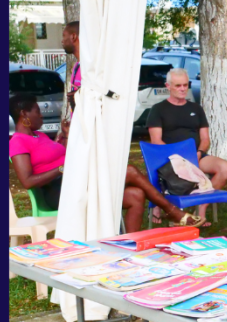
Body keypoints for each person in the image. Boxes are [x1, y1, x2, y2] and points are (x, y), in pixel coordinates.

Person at [9, 93, 205, 232]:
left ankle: (130, 248)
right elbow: (27, 181)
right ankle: (171, 210)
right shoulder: (17, 141)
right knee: (127, 170)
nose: (41, 115)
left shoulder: (39, 136)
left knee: (135, 195)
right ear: (23, 114)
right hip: (59, 192)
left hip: (76, 181)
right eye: (36, 111)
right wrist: (62, 169)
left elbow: (67, 156)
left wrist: (68, 136)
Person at [146, 68, 227, 227]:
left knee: (225, 168)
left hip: (196, 157)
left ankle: (201, 210)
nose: (183, 89)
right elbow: (156, 140)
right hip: (169, 159)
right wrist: (179, 159)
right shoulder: (158, 110)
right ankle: (165, 207)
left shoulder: (196, 109)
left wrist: (199, 153)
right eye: (178, 85)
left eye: (186, 85)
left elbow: (205, 138)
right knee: (178, 171)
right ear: (168, 86)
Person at [56, 21, 81, 146]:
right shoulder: (77, 65)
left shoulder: (90, 69)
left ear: (73, 37)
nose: (62, 41)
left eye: (64, 36)